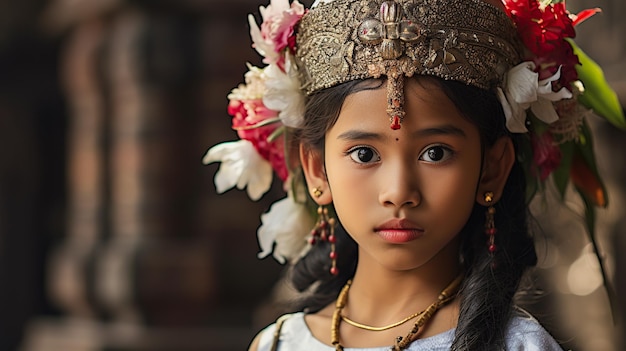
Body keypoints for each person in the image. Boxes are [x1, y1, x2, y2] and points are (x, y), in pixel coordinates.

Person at [204, 0, 624, 350]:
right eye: (365, 153)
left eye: (435, 153)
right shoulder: (278, 343)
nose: (399, 192)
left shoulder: (520, 346)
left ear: (492, 169)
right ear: (317, 168)